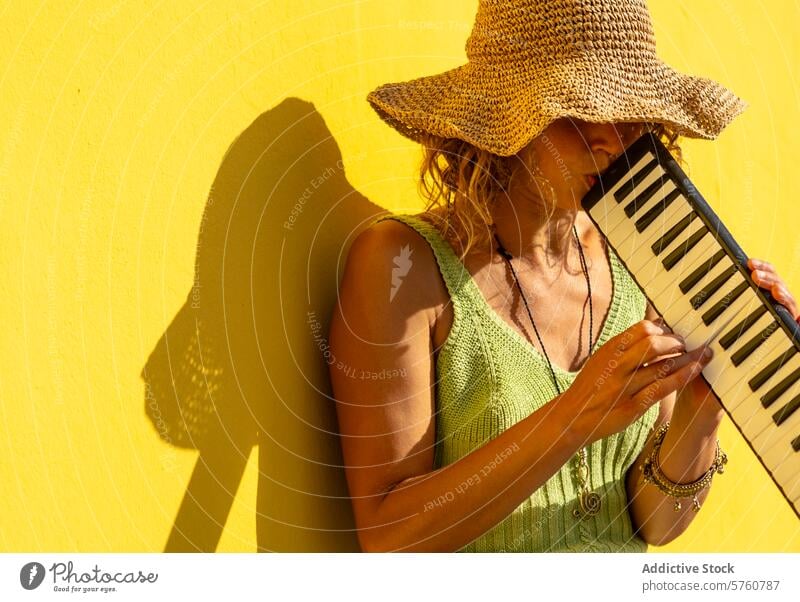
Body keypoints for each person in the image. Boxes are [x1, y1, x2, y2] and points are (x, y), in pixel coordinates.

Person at [327, 0, 800, 552]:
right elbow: (390, 536)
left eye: (630, 110)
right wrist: (575, 415)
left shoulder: (640, 263)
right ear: (507, 117)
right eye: (577, 111)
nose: (610, 138)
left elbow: (655, 523)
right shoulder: (403, 268)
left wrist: (706, 398)